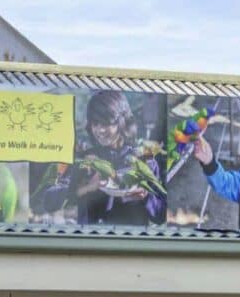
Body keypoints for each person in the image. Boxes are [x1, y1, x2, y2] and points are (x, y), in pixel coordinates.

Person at [33, 91, 164, 225]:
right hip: (89, 244)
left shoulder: (144, 159)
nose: (100, 130)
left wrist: (147, 197)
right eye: (95, 124)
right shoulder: (86, 159)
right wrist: (86, 187)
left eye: (107, 123)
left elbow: (160, 215)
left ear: (122, 122)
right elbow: (49, 202)